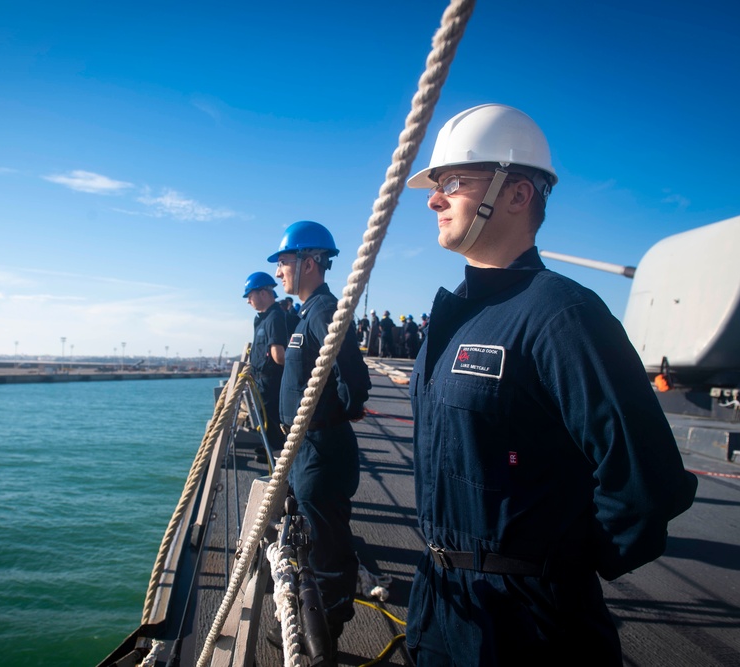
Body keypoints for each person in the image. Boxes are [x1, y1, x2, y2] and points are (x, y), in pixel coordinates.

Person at [403, 103, 698, 665]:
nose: (434, 199)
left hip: (528, 627)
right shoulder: (458, 317)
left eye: (454, 181)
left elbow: (647, 482)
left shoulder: (564, 315)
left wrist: (554, 565)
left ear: (517, 195)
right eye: (436, 185)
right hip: (440, 606)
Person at [269, 220, 371, 654]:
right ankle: (318, 618)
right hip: (307, 447)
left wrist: (331, 416)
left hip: (321, 449)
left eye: (285, 262)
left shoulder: (325, 312)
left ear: (309, 263)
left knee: (328, 546)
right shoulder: (306, 314)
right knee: (314, 534)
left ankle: (325, 635)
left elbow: (356, 381)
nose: (279, 272)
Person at [242, 271, 288, 452]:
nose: (248, 300)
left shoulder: (274, 318)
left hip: (270, 381)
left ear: (263, 293)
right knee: (264, 415)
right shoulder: (263, 319)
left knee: (271, 417)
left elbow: (279, 355)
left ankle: (274, 454)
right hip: (261, 379)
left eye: (250, 295)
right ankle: (269, 446)